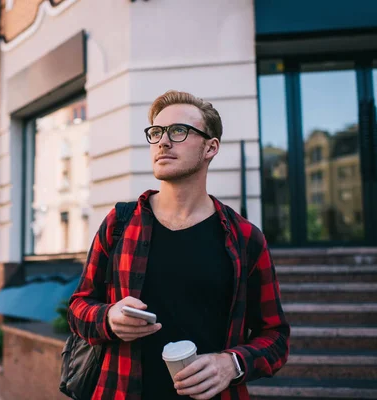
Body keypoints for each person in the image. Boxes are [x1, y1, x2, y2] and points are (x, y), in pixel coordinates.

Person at [67, 90, 289, 400]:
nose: (163, 142)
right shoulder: (119, 223)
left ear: (210, 147)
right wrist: (108, 319)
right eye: (156, 132)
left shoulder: (245, 238)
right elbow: (78, 308)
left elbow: (276, 337)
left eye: (179, 131)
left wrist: (231, 364)